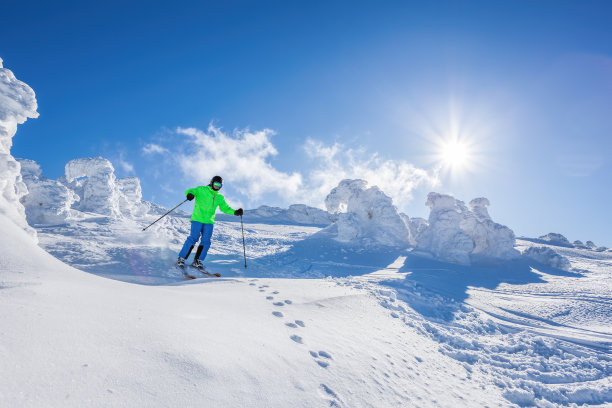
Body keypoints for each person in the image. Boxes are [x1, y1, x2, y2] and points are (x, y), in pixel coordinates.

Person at [176, 175, 243, 271]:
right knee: (193, 238)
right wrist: (190, 194)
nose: (217, 187)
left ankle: (198, 260)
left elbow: (225, 208)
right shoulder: (201, 189)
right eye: (216, 184)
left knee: (206, 241)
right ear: (212, 182)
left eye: (219, 185)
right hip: (197, 219)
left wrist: (235, 212)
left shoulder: (219, 197)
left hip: (209, 221)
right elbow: (190, 190)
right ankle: (181, 258)